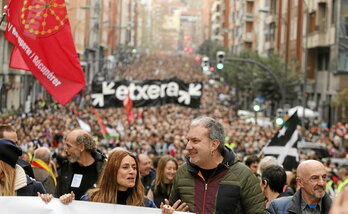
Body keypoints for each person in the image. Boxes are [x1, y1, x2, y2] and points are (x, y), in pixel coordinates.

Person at [168, 116, 265, 214]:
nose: (188, 146)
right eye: (188, 140)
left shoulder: (243, 176)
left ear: (214, 145)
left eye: (195, 141)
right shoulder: (182, 172)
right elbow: (172, 207)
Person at [79, 149, 156, 207]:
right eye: (125, 167)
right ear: (112, 171)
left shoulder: (145, 203)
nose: (132, 171)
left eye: (134, 167)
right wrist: (68, 204)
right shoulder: (91, 199)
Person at [55, 129, 106, 200]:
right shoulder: (66, 168)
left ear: (81, 147)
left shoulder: (103, 168)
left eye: (69, 146)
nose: (65, 150)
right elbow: (57, 195)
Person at [268, 160, 332, 214]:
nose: (321, 183)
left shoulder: (339, 208)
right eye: (315, 178)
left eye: (324, 177)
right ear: (300, 182)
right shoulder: (278, 207)